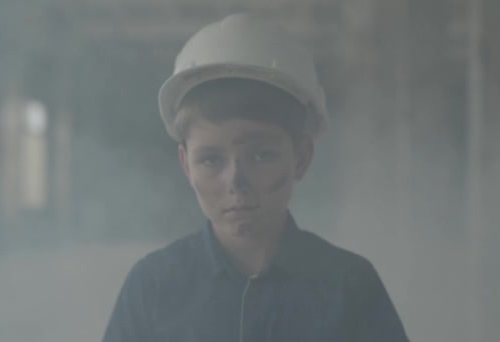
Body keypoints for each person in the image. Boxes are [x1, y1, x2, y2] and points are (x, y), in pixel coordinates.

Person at [102, 13, 409, 342]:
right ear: (186, 165)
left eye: (262, 155)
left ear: (301, 157)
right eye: (210, 160)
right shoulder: (153, 287)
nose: (235, 180)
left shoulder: (350, 287)